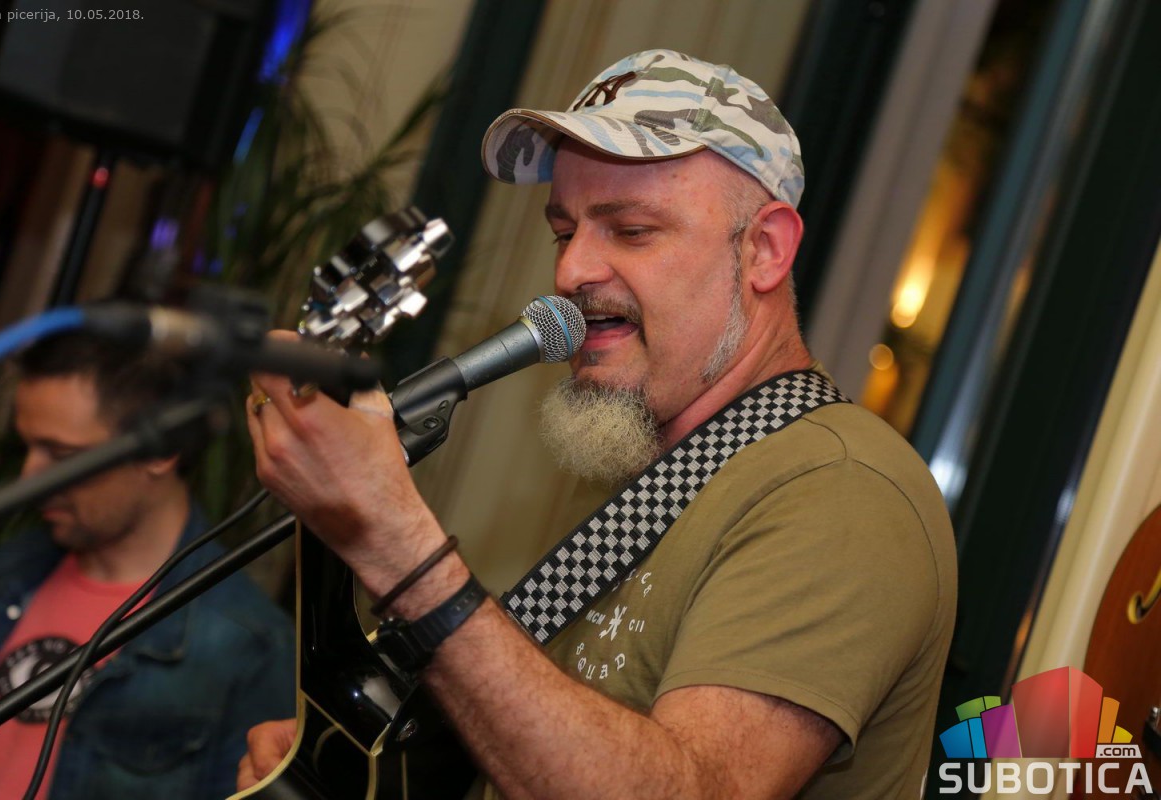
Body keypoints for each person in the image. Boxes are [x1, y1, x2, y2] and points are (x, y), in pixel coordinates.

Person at [239, 49, 957, 799]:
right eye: (564, 231)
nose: (570, 272)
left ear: (764, 250)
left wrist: (397, 545)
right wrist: (364, 766)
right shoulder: (655, 462)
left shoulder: (842, 494)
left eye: (632, 230)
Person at [0, 332, 296, 799]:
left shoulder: (249, 648)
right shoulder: (7, 570)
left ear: (159, 449)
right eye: (29, 448)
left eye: (62, 455)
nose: (30, 476)